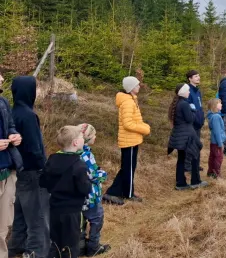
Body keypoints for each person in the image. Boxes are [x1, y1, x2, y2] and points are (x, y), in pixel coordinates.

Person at [8, 76, 50, 258]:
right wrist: (44, 168)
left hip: (19, 170)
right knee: (37, 215)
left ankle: (15, 247)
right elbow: (34, 148)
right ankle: (35, 252)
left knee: (20, 213)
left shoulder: (12, 112)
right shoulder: (28, 115)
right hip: (33, 171)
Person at [40, 125, 92, 258]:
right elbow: (85, 189)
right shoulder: (79, 165)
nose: (83, 139)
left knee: (55, 243)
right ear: (75, 142)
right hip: (72, 212)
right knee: (71, 245)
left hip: (54, 209)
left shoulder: (52, 159)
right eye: (81, 137)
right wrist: (89, 180)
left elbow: (43, 182)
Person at [103, 76, 150, 204]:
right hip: (129, 140)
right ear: (131, 87)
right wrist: (144, 129)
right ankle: (124, 194)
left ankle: (118, 192)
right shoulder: (128, 102)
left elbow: (135, 120)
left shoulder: (131, 100)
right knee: (128, 168)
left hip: (132, 139)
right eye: (137, 84)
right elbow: (128, 124)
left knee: (128, 167)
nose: (139, 86)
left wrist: (143, 127)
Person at [78, 123, 111, 256]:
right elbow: (93, 175)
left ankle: (80, 247)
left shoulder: (72, 152)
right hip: (90, 196)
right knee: (97, 219)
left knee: (80, 222)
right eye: (94, 135)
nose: (95, 137)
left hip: (78, 196)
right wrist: (103, 174)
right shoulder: (86, 155)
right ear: (87, 137)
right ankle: (93, 247)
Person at [167, 84, 208, 190]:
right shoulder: (184, 104)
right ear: (183, 92)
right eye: (187, 91)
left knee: (181, 159)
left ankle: (180, 183)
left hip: (179, 135)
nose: (189, 92)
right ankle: (195, 181)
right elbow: (190, 119)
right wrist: (193, 110)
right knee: (195, 155)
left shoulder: (177, 103)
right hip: (187, 135)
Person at [0, 73, 23, 258]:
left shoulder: (3, 102)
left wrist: (15, 135)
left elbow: (10, 126)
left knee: (3, 227)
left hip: (6, 171)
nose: (2, 79)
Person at [185, 70, 204, 172]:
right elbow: (188, 108)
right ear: (190, 79)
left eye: (198, 76)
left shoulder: (198, 91)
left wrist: (201, 118)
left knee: (196, 144)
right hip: (192, 123)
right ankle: (187, 166)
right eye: (196, 76)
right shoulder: (188, 91)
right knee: (191, 144)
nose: (198, 77)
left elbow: (199, 107)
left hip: (198, 123)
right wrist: (194, 119)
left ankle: (195, 164)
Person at [206, 98, 225, 179]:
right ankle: (216, 174)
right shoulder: (216, 117)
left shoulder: (213, 116)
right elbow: (217, 132)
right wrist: (220, 143)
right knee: (218, 158)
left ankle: (210, 172)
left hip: (213, 142)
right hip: (217, 142)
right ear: (214, 106)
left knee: (213, 157)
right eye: (219, 103)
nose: (221, 104)